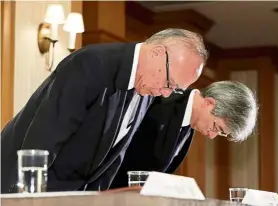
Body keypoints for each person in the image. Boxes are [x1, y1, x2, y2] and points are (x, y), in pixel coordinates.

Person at [1, 28, 208, 193]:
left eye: (174, 89)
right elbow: (45, 137)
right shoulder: (90, 64)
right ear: (157, 53)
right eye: (169, 83)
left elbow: (111, 160)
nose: (165, 93)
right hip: (25, 187)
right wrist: (25, 197)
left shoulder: (147, 90)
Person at [110, 81, 259, 189]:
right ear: (209, 103)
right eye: (216, 127)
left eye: (220, 133)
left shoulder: (190, 123)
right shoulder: (159, 100)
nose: (212, 136)